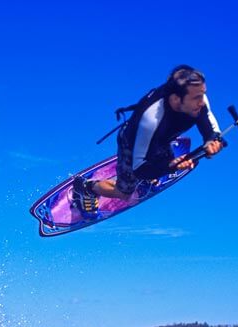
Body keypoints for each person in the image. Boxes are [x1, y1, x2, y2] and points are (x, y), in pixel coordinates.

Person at [72, 65, 225, 215]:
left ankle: (154, 172)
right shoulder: (151, 119)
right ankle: (86, 188)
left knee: (161, 162)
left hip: (163, 140)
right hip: (132, 146)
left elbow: (209, 125)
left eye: (202, 94)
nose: (202, 101)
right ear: (176, 99)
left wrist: (212, 141)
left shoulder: (197, 97)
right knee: (125, 193)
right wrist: (169, 167)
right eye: (196, 98)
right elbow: (140, 167)